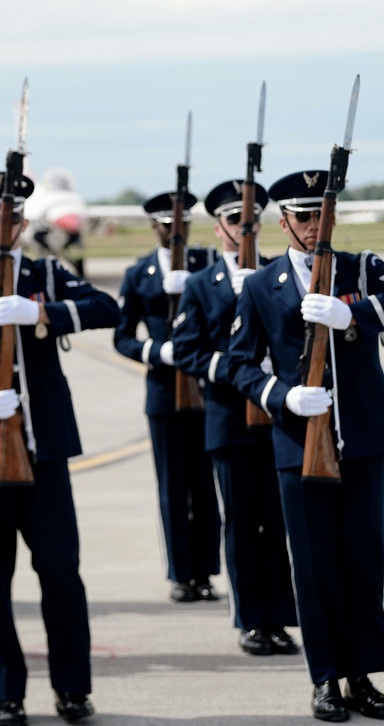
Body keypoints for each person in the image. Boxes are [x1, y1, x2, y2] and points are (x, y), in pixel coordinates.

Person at [0, 171, 116, 724]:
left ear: (24, 222)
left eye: (13, 218)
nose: (4, 228)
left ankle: (73, 687)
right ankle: (7, 692)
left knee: (62, 575)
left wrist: (42, 312)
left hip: (44, 455)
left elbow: (106, 309)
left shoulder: (45, 273)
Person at [227, 169, 384, 722]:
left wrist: (356, 314)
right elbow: (238, 363)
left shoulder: (363, 268)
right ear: (284, 222)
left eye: (323, 214)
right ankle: (326, 679)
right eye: (305, 216)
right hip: (300, 447)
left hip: (362, 442)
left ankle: (365, 674)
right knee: (314, 568)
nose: (317, 226)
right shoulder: (260, 285)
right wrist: (283, 396)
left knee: (364, 562)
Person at [171, 179, 298, 656]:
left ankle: (280, 619)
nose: (244, 230)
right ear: (219, 226)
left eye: (251, 222)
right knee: (242, 524)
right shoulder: (203, 284)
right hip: (228, 417)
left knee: (278, 523)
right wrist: (237, 370)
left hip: (276, 414)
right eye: (235, 222)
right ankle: (250, 620)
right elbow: (187, 351)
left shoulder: (274, 275)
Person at [113, 191, 221, 603]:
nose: (176, 231)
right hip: (163, 392)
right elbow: (122, 337)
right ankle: (181, 574)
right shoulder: (139, 273)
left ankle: (206, 572)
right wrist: (156, 351)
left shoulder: (206, 266)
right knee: (173, 487)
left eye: (183, 223)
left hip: (205, 388)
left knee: (205, 487)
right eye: (167, 223)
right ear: (154, 226)